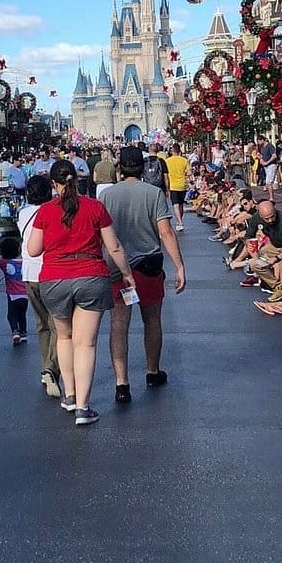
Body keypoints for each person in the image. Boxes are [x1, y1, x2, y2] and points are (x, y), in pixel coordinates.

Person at [27, 159, 136, 426]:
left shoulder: (45, 211)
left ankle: (70, 395)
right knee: (85, 343)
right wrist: (127, 273)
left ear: (53, 184)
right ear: (77, 179)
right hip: (91, 276)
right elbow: (114, 246)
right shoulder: (95, 207)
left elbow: (33, 250)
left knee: (64, 338)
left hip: (54, 279)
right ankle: (83, 408)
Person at [100, 145, 186, 404]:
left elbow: (100, 236)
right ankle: (152, 371)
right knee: (152, 320)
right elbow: (165, 232)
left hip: (118, 268)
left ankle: (121, 383)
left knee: (118, 325)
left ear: (119, 168)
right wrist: (179, 266)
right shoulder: (153, 193)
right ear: (143, 167)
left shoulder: (106, 196)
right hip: (148, 266)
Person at [19, 174, 60, 398]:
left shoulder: (23, 213)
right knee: (57, 324)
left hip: (28, 273)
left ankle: (46, 366)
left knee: (41, 323)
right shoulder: (53, 211)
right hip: (49, 271)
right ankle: (52, 367)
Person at [239, 200, 282, 301]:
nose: (270, 220)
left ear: (275, 211)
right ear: (260, 215)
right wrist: (248, 243)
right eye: (266, 218)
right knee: (255, 263)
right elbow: (248, 235)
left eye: (272, 216)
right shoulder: (256, 217)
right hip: (275, 245)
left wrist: (277, 258)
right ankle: (278, 287)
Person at [0, 237, 28, 345]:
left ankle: (15, 331)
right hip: (25, 295)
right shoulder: (24, 262)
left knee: (11, 314)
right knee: (22, 314)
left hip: (12, 295)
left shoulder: (4, 263)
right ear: (18, 250)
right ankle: (23, 333)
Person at [165, 143, 191, 231]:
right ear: (179, 151)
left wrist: (166, 187)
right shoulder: (184, 160)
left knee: (175, 205)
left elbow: (166, 174)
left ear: (172, 151)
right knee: (181, 204)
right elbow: (189, 172)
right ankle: (179, 221)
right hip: (182, 184)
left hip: (173, 185)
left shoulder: (167, 161)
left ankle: (179, 222)